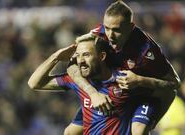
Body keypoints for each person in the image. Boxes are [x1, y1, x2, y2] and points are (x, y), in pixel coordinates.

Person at [65, 1, 180, 135]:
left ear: (130, 27)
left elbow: (174, 84)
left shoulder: (147, 49)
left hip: (139, 94)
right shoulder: (97, 36)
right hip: (107, 93)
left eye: (116, 30)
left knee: (138, 131)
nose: (110, 35)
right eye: (107, 28)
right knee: (70, 132)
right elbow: (72, 67)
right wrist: (93, 93)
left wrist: (139, 80)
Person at [28, 37, 157, 134]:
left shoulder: (124, 79)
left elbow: (160, 90)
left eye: (86, 55)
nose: (81, 60)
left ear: (102, 56)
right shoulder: (78, 80)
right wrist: (56, 57)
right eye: (78, 55)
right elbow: (34, 83)